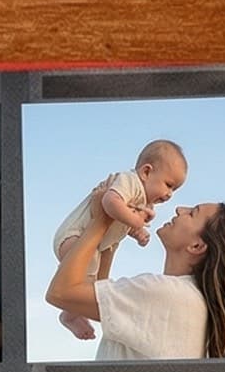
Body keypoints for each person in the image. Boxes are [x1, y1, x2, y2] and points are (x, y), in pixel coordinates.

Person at [46, 186, 225, 359]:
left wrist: (100, 220)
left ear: (197, 246)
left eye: (192, 213)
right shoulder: (186, 299)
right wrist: (113, 232)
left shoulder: (167, 295)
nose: (180, 208)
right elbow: (87, 294)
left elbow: (61, 293)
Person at [52, 139, 189, 341]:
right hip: (74, 236)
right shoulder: (129, 181)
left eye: (174, 190)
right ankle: (70, 314)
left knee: (95, 288)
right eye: (168, 185)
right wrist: (137, 222)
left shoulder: (144, 203)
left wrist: (137, 231)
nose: (169, 194)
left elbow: (121, 223)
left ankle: (74, 313)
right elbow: (109, 202)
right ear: (146, 172)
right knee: (82, 286)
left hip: (96, 245)